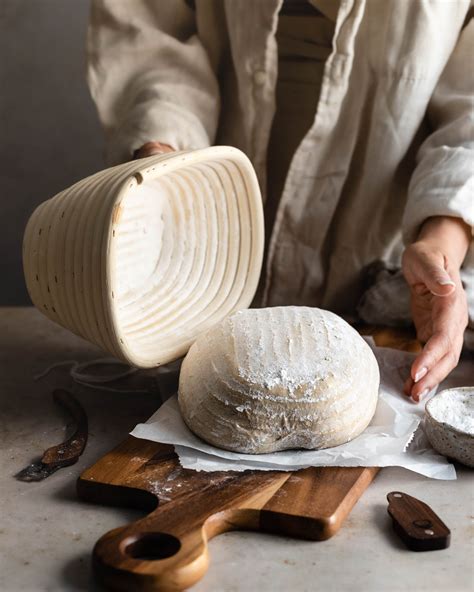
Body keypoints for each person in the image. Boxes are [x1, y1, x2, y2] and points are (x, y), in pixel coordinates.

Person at [86, 0, 473, 401]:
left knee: (350, 386)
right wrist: (164, 159)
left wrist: (441, 245)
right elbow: (150, 31)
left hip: (385, 235)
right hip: (210, 204)